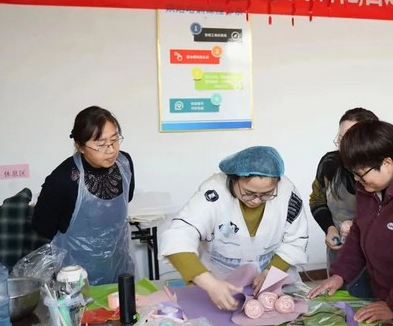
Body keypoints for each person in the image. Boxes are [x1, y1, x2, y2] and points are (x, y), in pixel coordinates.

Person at [309, 121, 393, 322]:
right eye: (353, 173)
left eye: (361, 174)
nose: (356, 180)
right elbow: (358, 233)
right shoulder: (368, 188)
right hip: (383, 297)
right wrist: (340, 274)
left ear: (387, 163)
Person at [160, 146, 308, 310]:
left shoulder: (287, 194)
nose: (256, 200)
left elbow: (295, 240)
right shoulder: (213, 194)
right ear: (233, 180)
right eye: (248, 193)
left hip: (273, 285)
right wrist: (210, 284)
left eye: (266, 194)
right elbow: (178, 236)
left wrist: (270, 272)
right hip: (221, 284)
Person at [32, 106, 135, 285]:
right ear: (79, 146)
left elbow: (126, 199)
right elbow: (43, 228)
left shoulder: (125, 164)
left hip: (118, 265)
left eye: (115, 140)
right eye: (101, 144)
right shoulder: (62, 179)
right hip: (75, 276)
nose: (111, 150)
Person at [309, 107, 378, 279]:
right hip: (340, 250)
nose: (344, 145)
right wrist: (330, 229)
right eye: (341, 138)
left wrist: (357, 225)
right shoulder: (329, 163)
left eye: (351, 139)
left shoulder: (382, 172)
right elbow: (317, 200)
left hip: (375, 252)